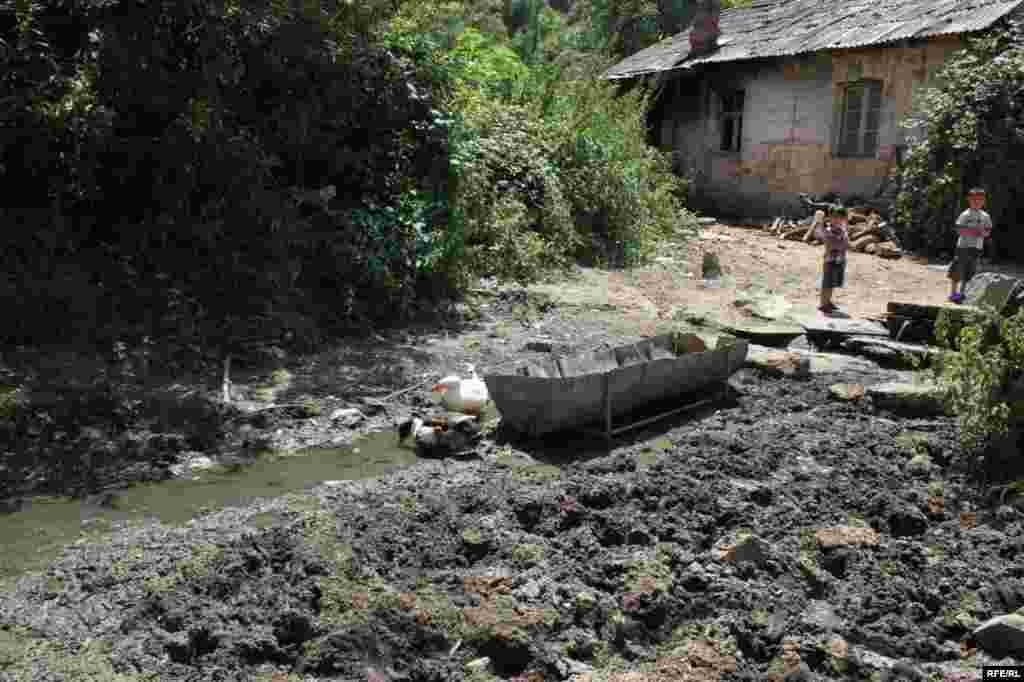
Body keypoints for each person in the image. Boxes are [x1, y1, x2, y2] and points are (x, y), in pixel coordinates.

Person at [948, 187, 993, 303]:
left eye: (980, 199)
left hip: (977, 247)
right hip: (963, 246)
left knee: (970, 271)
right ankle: (953, 294)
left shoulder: (985, 216)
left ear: (984, 201)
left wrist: (983, 233)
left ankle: (962, 294)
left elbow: (987, 232)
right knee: (957, 269)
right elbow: (959, 230)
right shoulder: (965, 214)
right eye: (974, 199)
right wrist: (974, 231)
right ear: (969, 199)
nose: (977, 202)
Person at [815, 206, 850, 315]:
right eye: (834, 217)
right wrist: (819, 222)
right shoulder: (828, 228)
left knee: (833, 282)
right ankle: (823, 304)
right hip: (830, 259)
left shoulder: (842, 228)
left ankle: (828, 301)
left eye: (840, 217)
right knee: (827, 283)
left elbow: (845, 242)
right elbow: (824, 236)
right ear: (829, 217)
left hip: (840, 259)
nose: (837, 219)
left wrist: (843, 245)